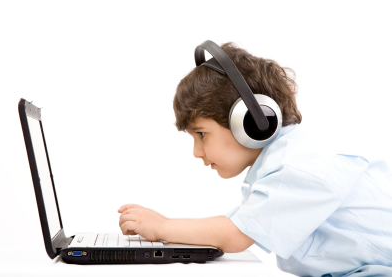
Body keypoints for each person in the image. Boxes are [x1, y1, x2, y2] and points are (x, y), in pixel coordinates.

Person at [118, 42, 392, 277]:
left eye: (201, 134)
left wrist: (162, 227)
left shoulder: (299, 164)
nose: (197, 152)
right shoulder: (278, 164)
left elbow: (234, 235)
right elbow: (233, 224)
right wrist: (164, 225)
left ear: (252, 122)